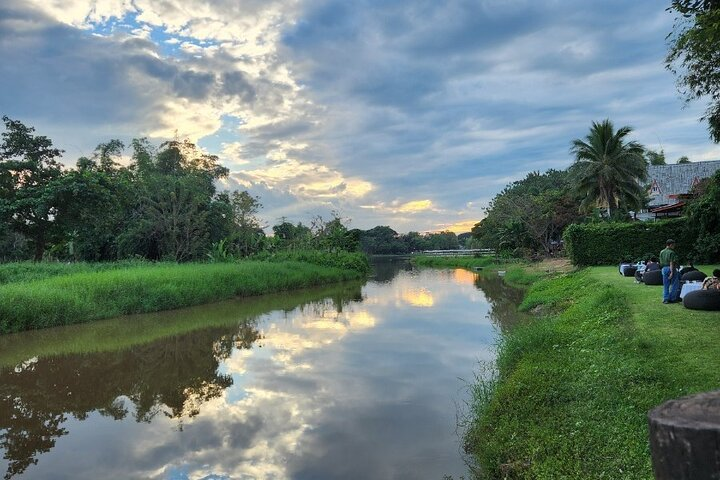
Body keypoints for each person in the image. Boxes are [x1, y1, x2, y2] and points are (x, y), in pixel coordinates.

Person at [660, 239, 680, 304]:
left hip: (664, 268)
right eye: (674, 245)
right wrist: (671, 272)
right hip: (671, 268)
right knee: (674, 284)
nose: (674, 246)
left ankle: (665, 299)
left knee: (666, 285)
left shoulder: (662, 252)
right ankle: (672, 298)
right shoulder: (671, 252)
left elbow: (661, 262)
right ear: (671, 244)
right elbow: (671, 262)